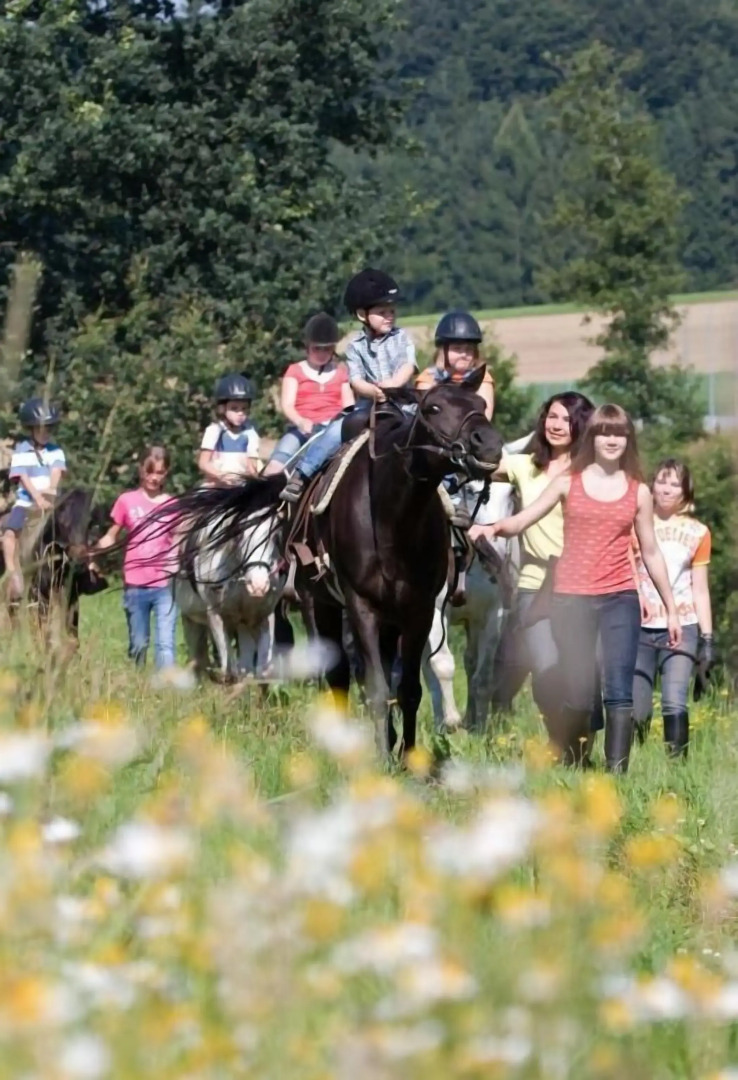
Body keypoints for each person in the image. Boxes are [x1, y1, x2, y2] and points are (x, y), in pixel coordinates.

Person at [479, 403, 681, 772]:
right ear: (592, 437)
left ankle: (616, 777)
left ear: (628, 440)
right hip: (571, 601)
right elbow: (523, 520)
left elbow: (651, 552)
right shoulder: (567, 483)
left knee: (618, 691)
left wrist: (671, 609)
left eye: (619, 434)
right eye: (604, 433)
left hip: (619, 599)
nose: (611, 440)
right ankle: (574, 761)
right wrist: (491, 528)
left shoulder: (638, 492)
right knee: (577, 691)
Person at [471, 392, 595, 730]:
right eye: (552, 416)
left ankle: (578, 743)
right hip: (535, 584)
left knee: (580, 676)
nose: (557, 425)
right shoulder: (524, 466)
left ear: (581, 425)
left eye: (566, 419)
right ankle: (560, 741)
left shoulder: (591, 473)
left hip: (583, 586)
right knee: (545, 671)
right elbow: (478, 466)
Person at [281, 268, 417, 502]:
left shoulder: (402, 337)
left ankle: (451, 489)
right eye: (382, 312)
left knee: (429, 430)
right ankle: (302, 474)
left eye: (392, 311)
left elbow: (408, 365)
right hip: (370, 405)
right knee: (336, 430)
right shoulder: (355, 346)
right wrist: (372, 391)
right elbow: (355, 380)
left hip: (403, 403)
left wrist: (394, 384)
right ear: (362, 314)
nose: (389, 316)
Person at [633, 458, 714, 758]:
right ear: (652, 486)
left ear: (685, 491)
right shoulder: (633, 524)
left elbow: (700, 589)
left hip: (682, 625)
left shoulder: (698, 532)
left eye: (675, 484)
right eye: (662, 481)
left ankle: (677, 767)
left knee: (674, 699)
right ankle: (636, 763)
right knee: (637, 708)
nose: (667, 489)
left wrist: (707, 638)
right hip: (639, 625)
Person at [93, 445, 179, 670]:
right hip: (135, 584)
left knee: (165, 644)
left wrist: (176, 558)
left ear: (166, 473)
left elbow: (179, 538)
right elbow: (112, 534)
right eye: (149, 472)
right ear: (141, 470)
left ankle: (165, 684)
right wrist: (93, 552)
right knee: (139, 644)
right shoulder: (126, 501)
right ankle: (138, 681)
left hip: (165, 585)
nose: (154, 478)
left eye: (159, 473)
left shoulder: (173, 505)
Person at [263, 313, 354, 476]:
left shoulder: (341, 372)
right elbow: (287, 405)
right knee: (273, 468)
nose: (322, 353)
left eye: (327, 349)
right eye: (317, 348)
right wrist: (300, 421)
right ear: (307, 346)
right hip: (302, 430)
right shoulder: (295, 370)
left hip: (332, 431)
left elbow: (349, 406)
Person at [2, 398, 66, 600]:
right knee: (9, 534)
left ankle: (86, 569)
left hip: (50, 501)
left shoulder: (56, 451)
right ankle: (13, 573)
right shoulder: (22, 450)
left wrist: (51, 490)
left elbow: (56, 471)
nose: (45, 432)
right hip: (26, 502)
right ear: (31, 429)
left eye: (49, 428)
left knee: (75, 532)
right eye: (41, 429)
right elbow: (23, 476)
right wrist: (37, 497)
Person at [415, 310, 494, 419]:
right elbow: (427, 416)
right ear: (443, 351)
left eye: (469, 349)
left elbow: (485, 417)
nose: (464, 354)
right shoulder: (428, 378)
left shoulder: (482, 378)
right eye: (457, 349)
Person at [199, 374, 260, 486]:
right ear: (222, 408)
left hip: (239, 486)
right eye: (234, 408)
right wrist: (221, 475)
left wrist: (253, 476)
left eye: (244, 408)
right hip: (215, 484)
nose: (240, 413)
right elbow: (203, 463)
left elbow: (252, 465)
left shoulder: (250, 433)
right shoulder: (214, 430)